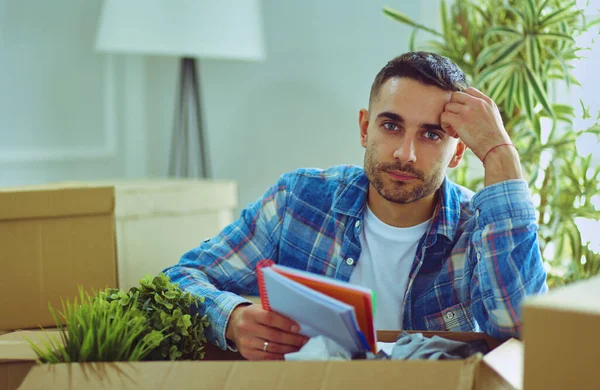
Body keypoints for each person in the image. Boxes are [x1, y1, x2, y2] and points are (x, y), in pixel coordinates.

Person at [163, 51, 548, 361]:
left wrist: (500, 154)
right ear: (365, 129)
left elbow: (524, 331)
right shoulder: (300, 200)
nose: (405, 154)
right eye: (391, 126)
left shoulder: (479, 228)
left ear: (458, 152)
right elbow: (179, 280)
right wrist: (231, 319)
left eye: (431, 135)